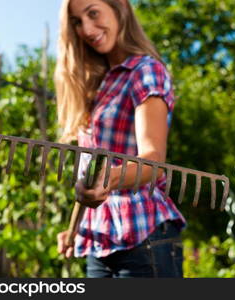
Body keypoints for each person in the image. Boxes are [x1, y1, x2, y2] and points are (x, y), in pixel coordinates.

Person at [54, 0, 186, 278]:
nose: (87, 29)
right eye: (77, 22)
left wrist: (107, 179)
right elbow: (89, 175)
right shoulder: (99, 86)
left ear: (120, 8)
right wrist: (75, 228)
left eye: (93, 13)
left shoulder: (144, 71)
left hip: (144, 234)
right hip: (99, 240)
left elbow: (154, 162)